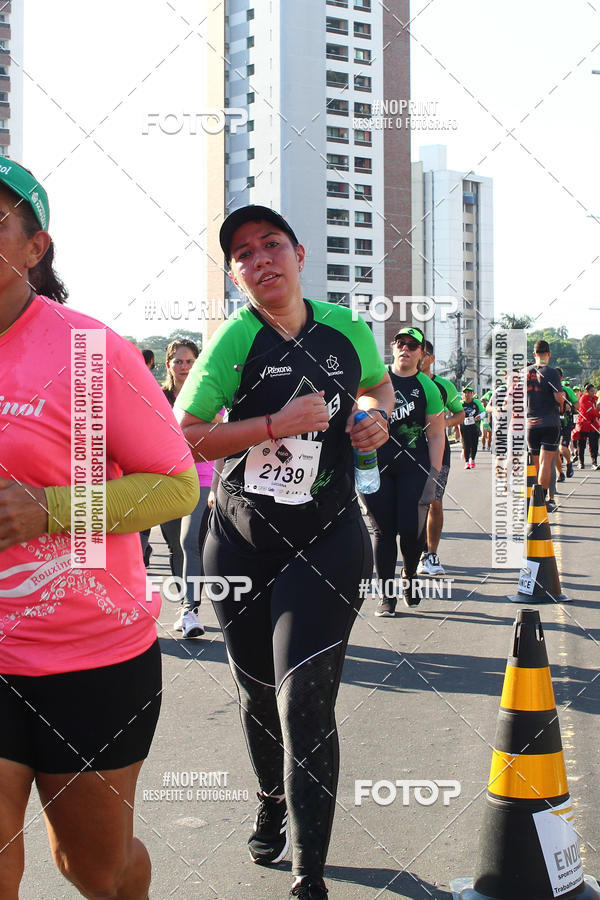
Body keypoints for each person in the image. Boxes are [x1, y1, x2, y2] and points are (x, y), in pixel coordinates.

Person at [175, 205, 393, 900]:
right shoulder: (234, 342)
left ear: (298, 253)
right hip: (241, 541)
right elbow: (184, 434)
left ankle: (311, 875)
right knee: (259, 695)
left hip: (328, 538)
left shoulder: (345, 327)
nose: (260, 258)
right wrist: (273, 424)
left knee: (306, 699)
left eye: (271, 244)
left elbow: (377, 385)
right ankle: (271, 797)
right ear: (237, 274)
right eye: (244, 253)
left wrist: (372, 416)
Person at [0, 158, 199, 898]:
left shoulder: (89, 351)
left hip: (89, 657)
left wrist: (49, 510)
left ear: (33, 247)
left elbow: (178, 485)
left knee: (94, 869)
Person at [362, 327, 445, 614]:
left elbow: (436, 434)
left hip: (414, 467)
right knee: (383, 531)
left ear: (422, 353)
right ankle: (387, 596)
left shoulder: (428, 387)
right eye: (401, 344)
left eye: (413, 345)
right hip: (375, 467)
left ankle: (409, 576)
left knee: (411, 530)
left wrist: (434, 475)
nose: (406, 349)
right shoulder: (374, 379)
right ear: (393, 348)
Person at [417, 340, 465, 577]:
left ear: (431, 358)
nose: (417, 356)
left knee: (434, 501)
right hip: (406, 451)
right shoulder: (397, 380)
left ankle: (431, 554)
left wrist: (442, 424)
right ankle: (414, 553)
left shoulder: (444, 386)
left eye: (422, 353)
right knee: (410, 504)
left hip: (437, 450)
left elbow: (460, 413)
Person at [526, 340, 565, 506]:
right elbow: (558, 398)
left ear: (534, 354)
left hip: (530, 424)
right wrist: (562, 405)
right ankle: (541, 499)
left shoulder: (523, 373)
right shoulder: (552, 373)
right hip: (550, 422)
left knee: (535, 463)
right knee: (545, 463)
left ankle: (533, 497)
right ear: (548, 354)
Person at [576, 383, 600, 470]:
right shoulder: (584, 399)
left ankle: (594, 463)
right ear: (587, 391)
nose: (594, 393)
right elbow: (592, 411)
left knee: (594, 445)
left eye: (594, 391)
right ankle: (581, 462)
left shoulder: (594, 398)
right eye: (592, 391)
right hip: (584, 424)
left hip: (593, 425)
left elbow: (598, 403)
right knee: (581, 444)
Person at [459, 387, 485, 468]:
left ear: (472, 394)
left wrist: (479, 416)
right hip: (464, 426)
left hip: (475, 426)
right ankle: (467, 462)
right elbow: (456, 413)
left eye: (469, 392)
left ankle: (472, 459)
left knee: (474, 444)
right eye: (465, 393)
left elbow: (483, 412)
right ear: (463, 394)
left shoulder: (476, 402)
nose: (467, 394)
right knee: (466, 443)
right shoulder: (460, 403)